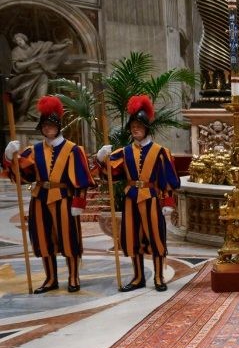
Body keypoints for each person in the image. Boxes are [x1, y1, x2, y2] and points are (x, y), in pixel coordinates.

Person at [3, 96, 95, 293]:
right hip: (40, 199)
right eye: (44, 125)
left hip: (64, 199)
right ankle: (50, 278)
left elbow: (82, 178)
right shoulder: (33, 151)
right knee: (43, 240)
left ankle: (73, 277)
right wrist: (10, 157)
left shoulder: (73, 150)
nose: (47, 128)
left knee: (69, 239)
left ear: (58, 126)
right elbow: (22, 176)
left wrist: (79, 202)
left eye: (51, 125)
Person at [96, 95, 180, 292]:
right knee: (132, 238)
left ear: (146, 127)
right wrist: (101, 159)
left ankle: (158, 277)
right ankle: (138, 277)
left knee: (156, 237)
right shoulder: (124, 152)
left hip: (151, 198)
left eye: (139, 126)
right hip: (131, 199)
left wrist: (168, 202)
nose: (135, 129)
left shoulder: (160, 152)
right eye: (133, 126)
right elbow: (111, 174)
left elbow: (168, 178)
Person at [7, 33, 72, 120]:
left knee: (41, 95)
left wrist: (64, 45)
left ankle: (36, 115)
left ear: (25, 39)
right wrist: (32, 61)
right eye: (17, 41)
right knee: (25, 98)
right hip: (26, 77)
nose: (19, 42)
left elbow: (52, 47)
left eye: (20, 40)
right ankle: (24, 115)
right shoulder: (16, 52)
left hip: (41, 75)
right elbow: (17, 66)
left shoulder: (36, 46)